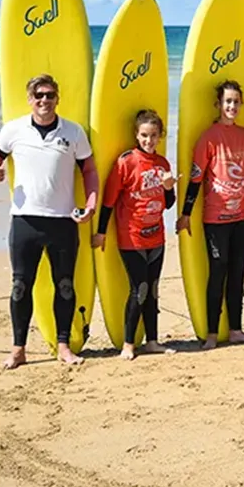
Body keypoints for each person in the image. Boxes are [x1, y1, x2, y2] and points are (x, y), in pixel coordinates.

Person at [0, 74, 98, 369]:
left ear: (57, 98)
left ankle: (63, 346)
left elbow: (89, 170)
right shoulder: (14, 130)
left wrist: (90, 203)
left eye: (49, 95)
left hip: (62, 221)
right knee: (21, 286)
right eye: (39, 95)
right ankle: (18, 349)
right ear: (29, 98)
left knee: (64, 285)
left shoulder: (73, 132)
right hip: (25, 221)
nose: (44, 100)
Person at [176, 80, 244, 349]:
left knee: (238, 273)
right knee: (218, 271)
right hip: (216, 219)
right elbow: (196, 178)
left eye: (236, 101)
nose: (232, 106)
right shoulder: (208, 138)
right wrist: (186, 213)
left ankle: (235, 329)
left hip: (243, 217)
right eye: (227, 101)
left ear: (241, 104)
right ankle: (212, 333)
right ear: (218, 105)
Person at [92, 110, 177, 360]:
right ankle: (128, 344)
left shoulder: (163, 164)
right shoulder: (126, 162)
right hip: (132, 237)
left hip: (157, 236)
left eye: (153, 135)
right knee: (138, 289)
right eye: (144, 135)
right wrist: (101, 233)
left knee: (152, 289)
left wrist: (169, 187)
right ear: (136, 135)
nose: (148, 140)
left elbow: (168, 203)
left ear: (160, 136)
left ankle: (152, 341)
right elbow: (108, 202)